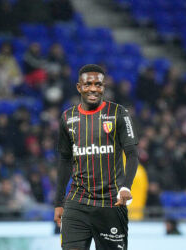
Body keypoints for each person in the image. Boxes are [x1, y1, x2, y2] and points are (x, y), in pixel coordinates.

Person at [54, 64, 139, 250]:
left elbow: (132, 154)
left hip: (111, 204)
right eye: (88, 84)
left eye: (98, 85)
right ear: (79, 87)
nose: (93, 88)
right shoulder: (67, 118)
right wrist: (58, 202)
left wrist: (126, 186)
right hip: (77, 203)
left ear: (104, 87)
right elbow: (65, 160)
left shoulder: (118, 113)